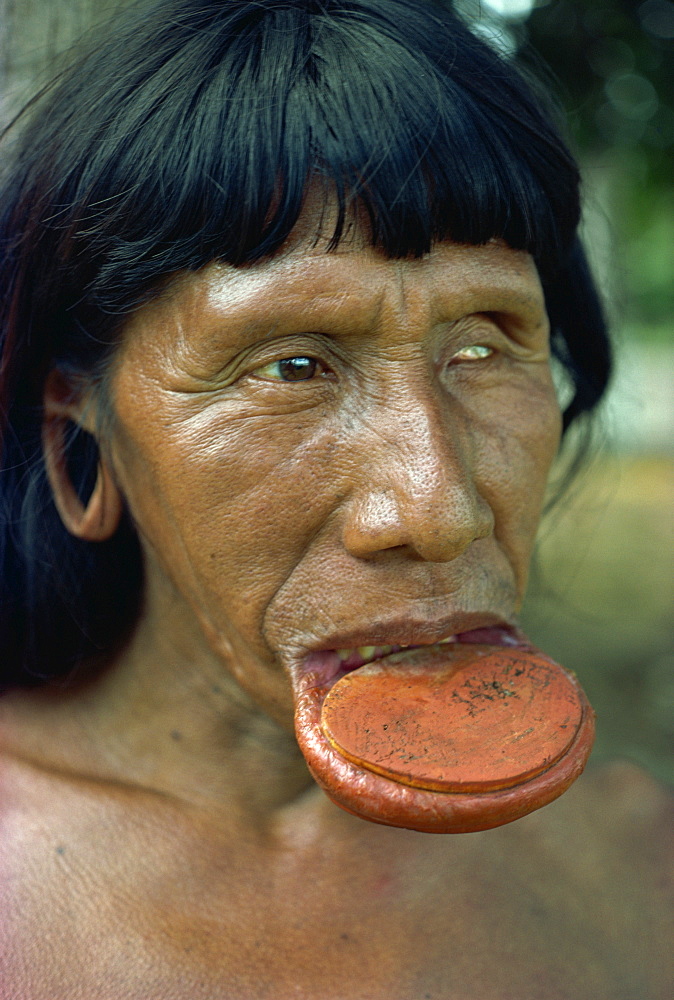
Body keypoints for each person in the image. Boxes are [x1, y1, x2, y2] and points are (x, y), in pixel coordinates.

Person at [0, 1, 671, 997]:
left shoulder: (636, 863)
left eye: (483, 346)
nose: (436, 507)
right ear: (73, 430)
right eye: (294, 365)